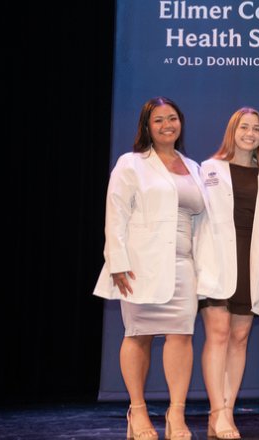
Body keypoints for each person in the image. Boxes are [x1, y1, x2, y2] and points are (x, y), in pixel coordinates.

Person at [93, 96, 207, 439]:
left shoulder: (194, 166)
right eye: (158, 120)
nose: (167, 125)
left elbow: (203, 220)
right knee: (138, 335)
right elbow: (116, 214)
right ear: (146, 126)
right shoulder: (132, 163)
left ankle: (176, 414)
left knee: (181, 337)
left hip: (184, 266)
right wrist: (118, 261)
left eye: (172, 118)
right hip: (140, 264)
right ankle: (138, 412)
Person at [195, 107, 259, 439]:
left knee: (239, 338)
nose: (250, 133)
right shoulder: (209, 169)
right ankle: (218, 412)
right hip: (216, 260)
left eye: (256, 129)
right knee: (219, 335)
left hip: (249, 261)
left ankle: (226, 411)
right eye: (244, 127)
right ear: (233, 131)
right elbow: (198, 220)